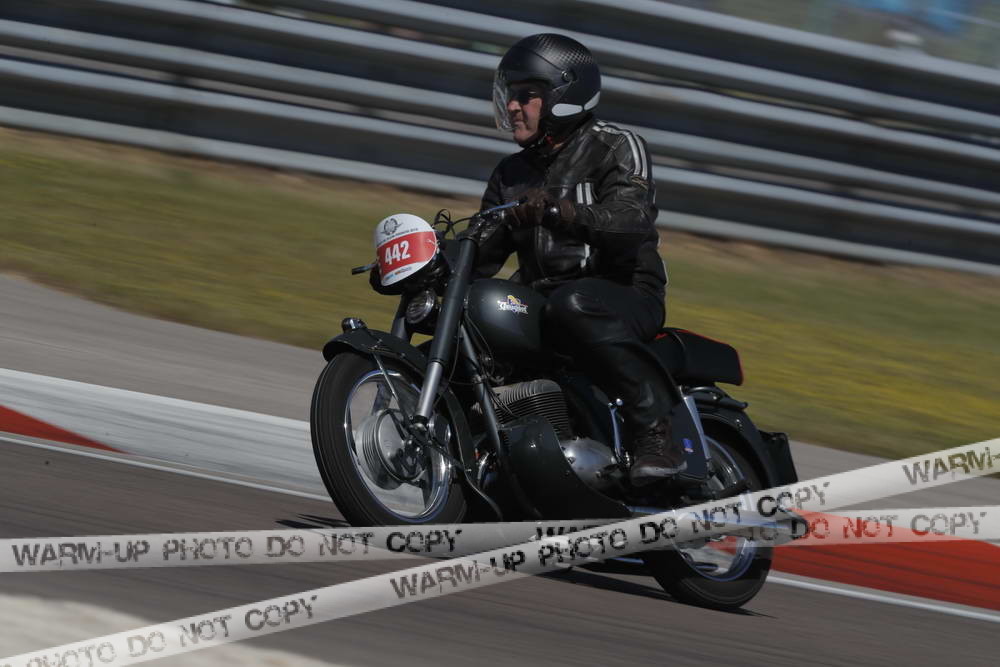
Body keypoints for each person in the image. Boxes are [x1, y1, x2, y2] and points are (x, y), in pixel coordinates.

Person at [476, 33, 685, 485]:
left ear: (564, 94)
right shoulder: (511, 173)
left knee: (571, 303)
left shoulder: (615, 146)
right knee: (476, 316)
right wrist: (428, 262)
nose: (513, 106)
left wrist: (562, 211)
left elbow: (631, 221)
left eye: (526, 95)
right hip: (545, 300)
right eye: (510, 95)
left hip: (623, 293)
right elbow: (482, 248)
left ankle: (657, 435)